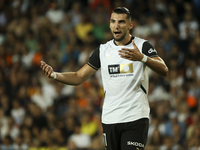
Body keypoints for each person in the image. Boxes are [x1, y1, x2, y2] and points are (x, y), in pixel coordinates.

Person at [40, 7, 168, 150]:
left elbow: (164, 69)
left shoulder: (142, 46)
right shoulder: (102, 50)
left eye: (121, 22)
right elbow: (78, 76)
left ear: (130, 25)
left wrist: (142, 58)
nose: (116, 25)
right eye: (113, 21)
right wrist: (55, 75)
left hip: (135, 116)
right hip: (110, 118)